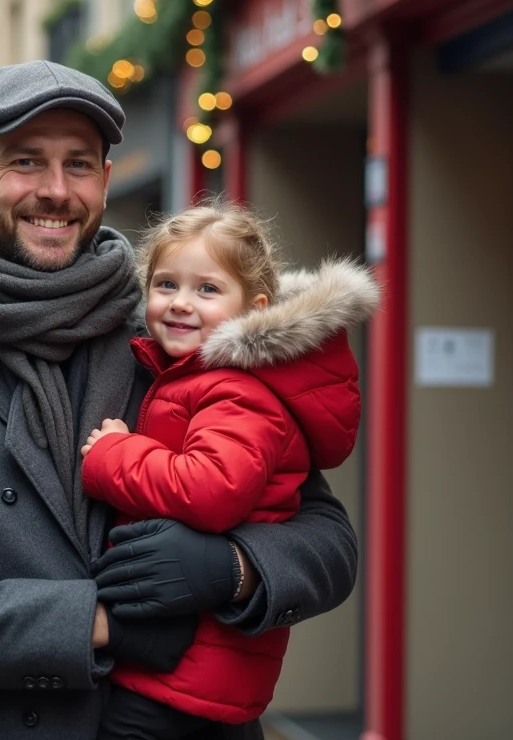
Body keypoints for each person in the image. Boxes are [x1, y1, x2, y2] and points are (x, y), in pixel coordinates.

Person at [0, 60, 360, 739]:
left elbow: (328, 542)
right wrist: (103, 623)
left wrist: (230, 570)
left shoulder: (176, 339)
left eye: (79, 165)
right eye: (25, 161)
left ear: (105, 183)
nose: (55, 190)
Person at [79, 205, 376, 738]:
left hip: (184, 674)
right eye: (166, 283)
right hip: (188, 665)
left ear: (254, 309)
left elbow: (213, 490)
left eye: (207, 289)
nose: (181, 303)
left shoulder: (236, 390)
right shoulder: (189, 378)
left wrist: (112, 455)